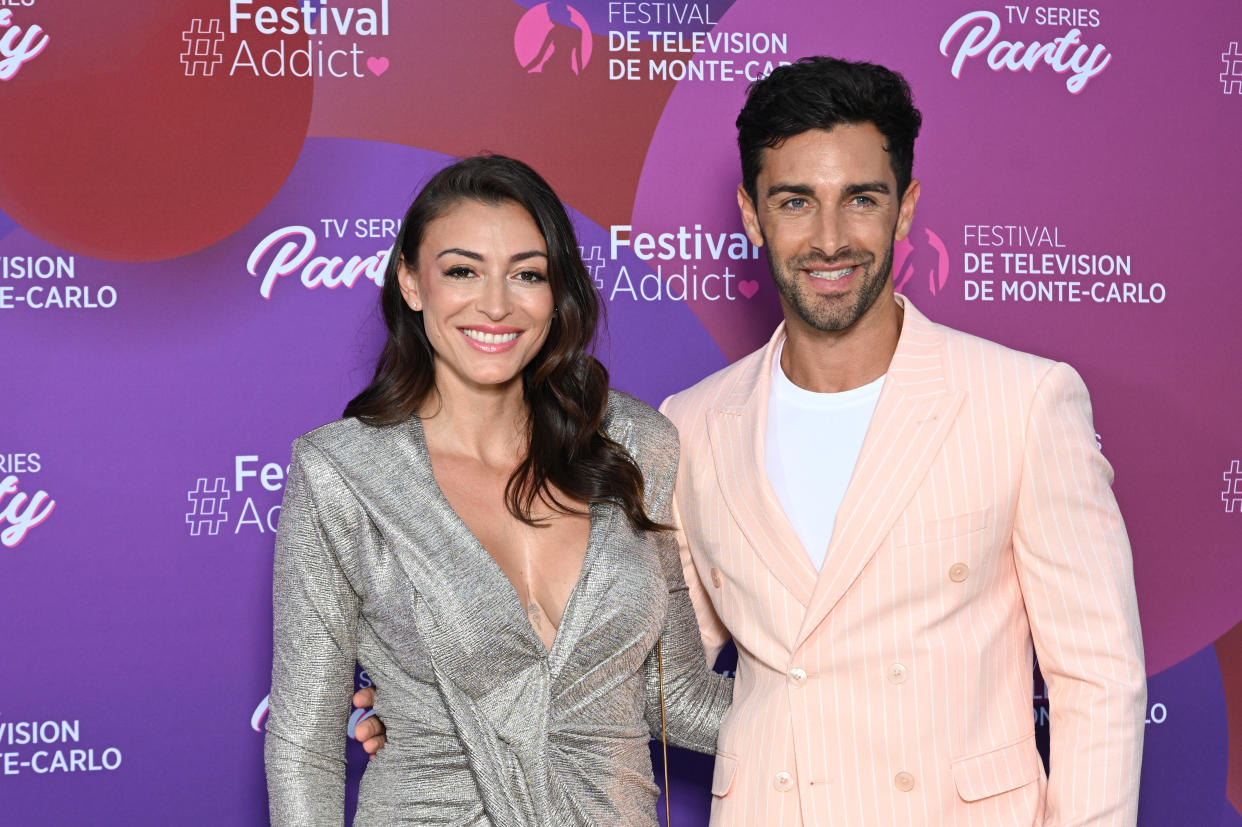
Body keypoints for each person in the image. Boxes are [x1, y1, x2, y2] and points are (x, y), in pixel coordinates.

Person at [355, 58, 1147, 826]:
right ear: (751, 213)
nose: (830, 239)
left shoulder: (1023, 401)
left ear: (905, 209)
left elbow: (1098, 679)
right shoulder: (691, 424)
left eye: (861, 200)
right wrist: (441, 699)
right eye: (796, 202)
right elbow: (640, 669)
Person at [265, 154, 731, 826]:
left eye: (527, 274)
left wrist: (853, 715)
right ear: (411, 281)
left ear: (556, 291)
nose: (495, 304)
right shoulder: (344, 472)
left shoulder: (633, 444)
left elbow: (677, 695)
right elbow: (304, 745)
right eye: (462, 270)